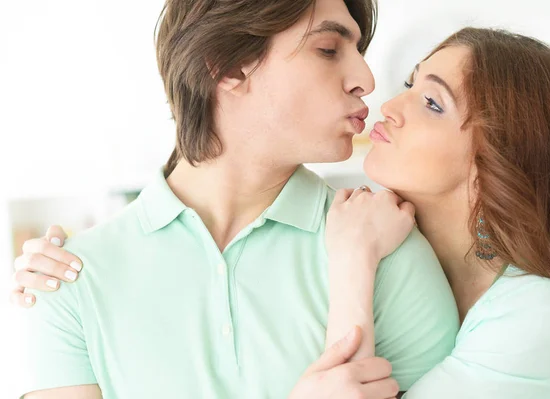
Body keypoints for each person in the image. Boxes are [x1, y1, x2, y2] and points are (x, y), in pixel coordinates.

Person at [10, 0, 459, 398]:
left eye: (359, 51)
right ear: (227, 66)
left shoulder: (383, 247)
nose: (366, 78)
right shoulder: (66, 281)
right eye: (327, 50)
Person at [324, 27, 550, 398]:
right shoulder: (400, 255)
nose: (389, 107)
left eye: (432, 104)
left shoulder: (539, 315)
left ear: (498, 161)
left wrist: (353, 261)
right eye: (410, 84)